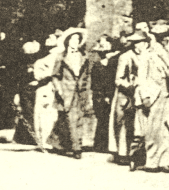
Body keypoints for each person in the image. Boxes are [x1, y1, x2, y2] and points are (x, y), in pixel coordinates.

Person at [136, 20, 169, 172]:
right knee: (153, 130)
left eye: (167, 35)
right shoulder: (147, 54)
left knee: (168, 129)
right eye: (161, 36)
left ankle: (165, 162)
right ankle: (152, 162)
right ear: (154, 37)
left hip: (167, 94)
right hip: (153, 94)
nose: (165, 39)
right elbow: (142, 78)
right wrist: (145, 96)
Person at [50, 28, 93, 159]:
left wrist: (88, 91)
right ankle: (73, 146)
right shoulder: (61, 57)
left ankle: (66, 145)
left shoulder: (84, 57)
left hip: (80, 92)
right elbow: (55, 76)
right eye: (73, 39)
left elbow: (88, 76)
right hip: (66, 92)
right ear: (68, 41)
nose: (75, 42)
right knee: (68, 118)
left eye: (78, 40)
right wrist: (59, 90)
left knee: (73, 118)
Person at [110, 30, 145, 166]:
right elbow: (118, 79)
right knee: (124, 124)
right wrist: (130, 86)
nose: (139, 46)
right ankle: (123, 154)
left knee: (139, 125)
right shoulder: (125, 56)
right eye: (136, 43)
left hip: (141, 95)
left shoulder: (148, 56)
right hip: (126, 95)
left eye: (141, 42)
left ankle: (138, 154)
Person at [32, 31, 64, 151]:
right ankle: (43, 140)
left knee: (50, 114)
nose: (49, 40)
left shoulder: (57, 55)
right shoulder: (45, 57)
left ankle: (47, 140)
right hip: (44, 87)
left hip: (51, 87)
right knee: (43, 114)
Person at [89, 35, 118, 153]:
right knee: (102, 119)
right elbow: (96, 83)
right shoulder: (98, 65)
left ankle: (102, 144)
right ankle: (100, 145)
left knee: (105, 119)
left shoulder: (112, 63)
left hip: (108, 94)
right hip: (100, 95)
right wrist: (103, 95)